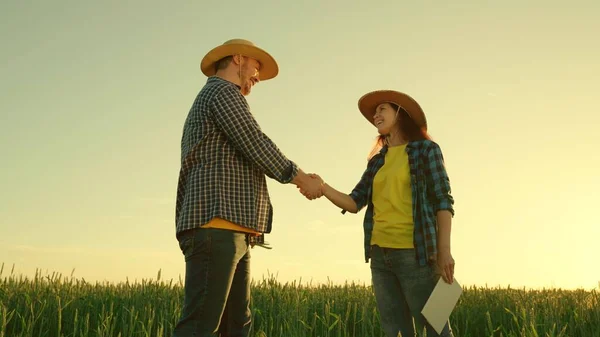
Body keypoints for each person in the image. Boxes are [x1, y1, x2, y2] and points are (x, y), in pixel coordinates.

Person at [173, 38, 322, 337]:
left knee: (236, 326)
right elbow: (255, 143)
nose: (257, 75)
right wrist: (301, 177)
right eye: (256, 66)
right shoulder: (221, 92)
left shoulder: (220, 96)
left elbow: (244, 153)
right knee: (202, 326)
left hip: (233, 229)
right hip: (216, 227)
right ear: (239, 59)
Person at [305, 90, 456, 337]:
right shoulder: (377, 161)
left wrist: (444, 251)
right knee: (394, 332)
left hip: (416, 254)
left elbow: (443, 201)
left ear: (400, 113)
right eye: (374, 112)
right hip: (380, 256)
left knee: (437, 329)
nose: (376, 115)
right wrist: (322, 187)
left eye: (382, 109)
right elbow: (355, 202)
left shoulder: (427, 150)